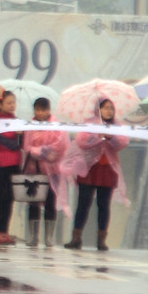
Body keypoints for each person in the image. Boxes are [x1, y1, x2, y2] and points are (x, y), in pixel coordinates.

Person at [61, 98, 127, 253]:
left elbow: (122, 143)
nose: (109, 111)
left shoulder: (117, 126)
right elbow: (82, 141)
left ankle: (101, 240)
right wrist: (98, 135)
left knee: (104, 205)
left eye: (111, 108)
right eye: (105, 108)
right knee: (84, 203)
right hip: (89, 168)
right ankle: (76, 238)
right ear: (98, 109)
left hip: (107, 169)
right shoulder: (89, 123)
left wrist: (110, 137)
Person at [20, 97, 65, 248]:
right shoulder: (30, 126)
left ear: (48, 110)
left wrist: (37, 151)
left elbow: (58, 147)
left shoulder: (56, 126)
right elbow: (27, 147)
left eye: (42, 110)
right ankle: (33, 236)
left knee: (50, 202)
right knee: (33, 202)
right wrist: (41, 151)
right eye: (37, 109)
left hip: (52, 171)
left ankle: (48, 237)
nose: (39, 113)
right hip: (34, 171)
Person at [0, 90, 25, 246]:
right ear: (0, 104)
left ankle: (5, 231)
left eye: (13, 102)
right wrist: (14, 142)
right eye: (8, 102)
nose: (12, 105)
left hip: (14, 165)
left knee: (9, 199)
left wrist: (19, 135)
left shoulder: (16, 121)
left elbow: (22, 143)